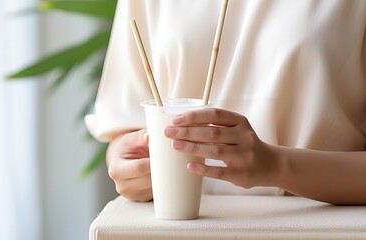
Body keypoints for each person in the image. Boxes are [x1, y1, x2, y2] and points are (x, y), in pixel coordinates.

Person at [85, 0, 366, 205]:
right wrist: (131, 166)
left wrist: (277, 166)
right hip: (177, 229)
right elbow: (126, 127)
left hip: (321, 228)